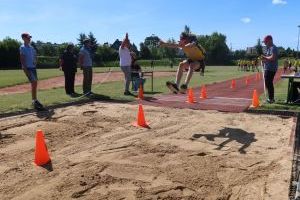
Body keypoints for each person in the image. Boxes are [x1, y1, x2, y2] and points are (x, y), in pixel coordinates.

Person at [19, 32, 45, 111]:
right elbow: (22, 59)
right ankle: (34, 101)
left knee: (35, 83)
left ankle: (34, 100)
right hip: (28, 68)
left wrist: (35, 61)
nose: (29, 39)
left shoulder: (31, 47)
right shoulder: (22, 47)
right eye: (28, 37)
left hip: (33, 68)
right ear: (23, 38)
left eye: (30, 37)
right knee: (34, 82)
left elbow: (35, 55)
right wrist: (24, 68)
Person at [261, 35, 278, 104]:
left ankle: (271, 98)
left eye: (265, 42)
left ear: (269, 41)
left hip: (271, 68)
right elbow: (268, 58)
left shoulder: (274, 48)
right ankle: (270, 98)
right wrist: (263, 60)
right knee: (268, 83)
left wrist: (265, 58)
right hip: (267, 68)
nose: (265, 43)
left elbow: (273, 58)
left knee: (269, 83)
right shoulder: (268, 48)